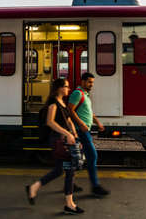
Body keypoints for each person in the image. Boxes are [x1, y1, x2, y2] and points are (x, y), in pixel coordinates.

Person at [26, 78, 85, 215]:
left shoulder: (62, 103)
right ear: (59, 88)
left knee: (60, 170)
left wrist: (74, 134)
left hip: (66, 139)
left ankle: (33, 188)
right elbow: (50, 122)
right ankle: (70, 205)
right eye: (66, 86)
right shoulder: (53, 104)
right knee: (69, 170)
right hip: (58, 141)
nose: (68, 89)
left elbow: (68, 120)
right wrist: (67, 134)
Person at [68, 72, 110, 196]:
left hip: (85, 130)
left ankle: (69, 183)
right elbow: (70, 110)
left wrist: (98, 123)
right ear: (83, 81)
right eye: (89, 82)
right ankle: (95, 187)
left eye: (92, 82)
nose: (91, 85)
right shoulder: (77, 93)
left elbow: (89, 113)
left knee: (76, 159)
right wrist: (81, 124)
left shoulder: (85, 95)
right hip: (81, 131)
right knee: (92, 156)